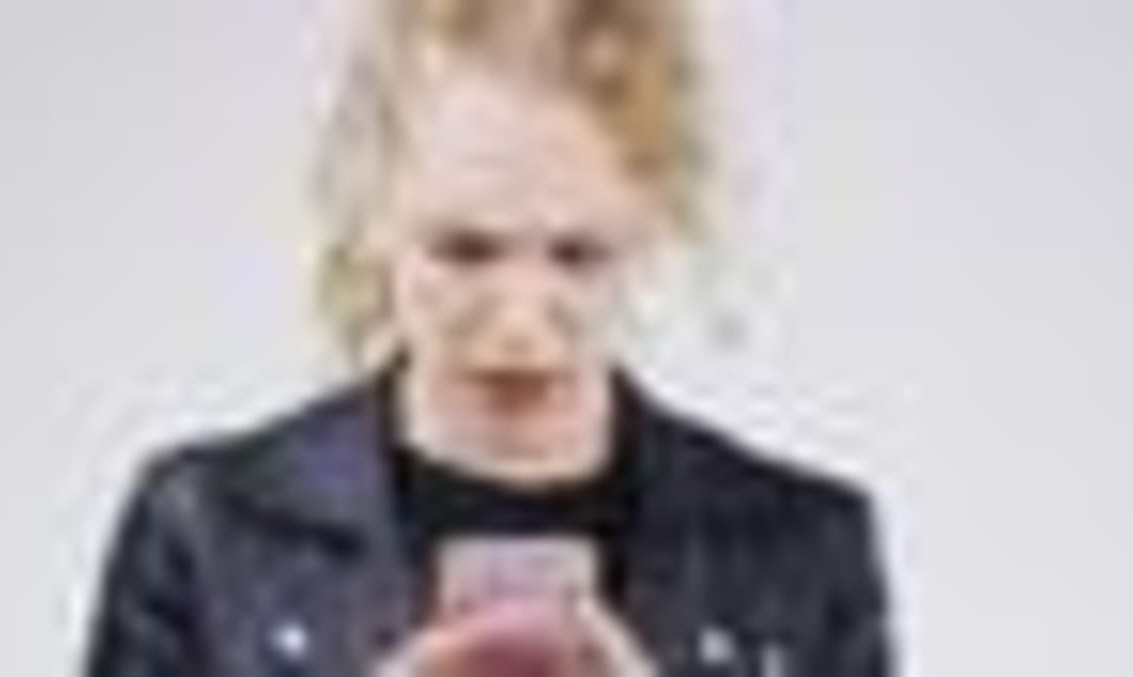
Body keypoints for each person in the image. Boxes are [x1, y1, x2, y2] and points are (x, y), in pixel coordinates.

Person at [84, 1, 896, 675]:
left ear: (649, 227)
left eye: (577, 255)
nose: (518, 323)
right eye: (463, 250)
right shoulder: (206, 527)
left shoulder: (801, 549)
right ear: (371, 213)